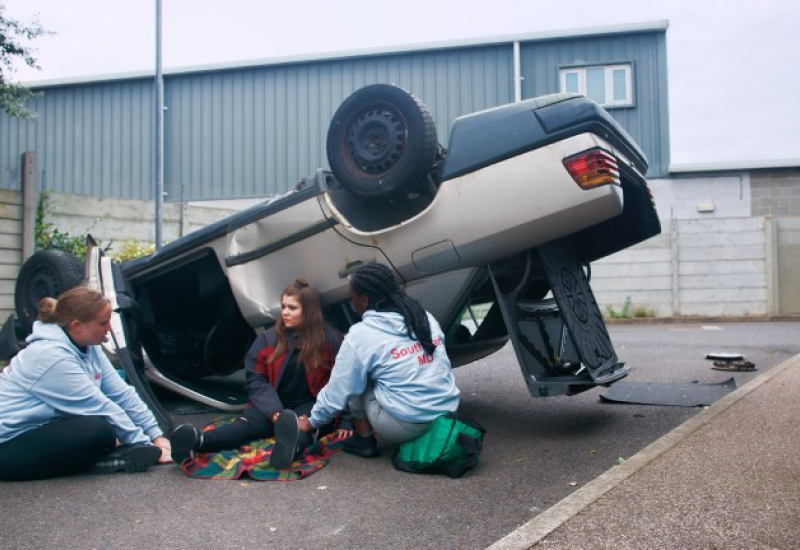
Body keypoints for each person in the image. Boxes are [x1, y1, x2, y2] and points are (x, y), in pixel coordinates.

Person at [170, 278, 352, 469]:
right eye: (283, 306)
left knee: (300, 429)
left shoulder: (330, 339)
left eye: (292, 308)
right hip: (271, 403)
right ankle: (197, 441)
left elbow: (344, 382)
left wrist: (346, 421)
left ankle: (289, 450)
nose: (285, 313)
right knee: (244, 428)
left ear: (308, 311)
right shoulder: (268, 339)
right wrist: (274, 412)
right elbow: (255, 380)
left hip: (310, 404)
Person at [0, 287, 172, 481]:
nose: (109, 327)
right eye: (103, 322)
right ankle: (99, 460)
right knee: (97, 431)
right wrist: (146, 446)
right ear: (76, 326)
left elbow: (122, 394)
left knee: (103, 430)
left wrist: (157, 435)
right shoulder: (50, 357)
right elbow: (101, 407)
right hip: (7, 444)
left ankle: (104, 456)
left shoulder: (89, 346)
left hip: (38, 429)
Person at [295, 263, 461, 458]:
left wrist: (313, 421)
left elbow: (338, 389)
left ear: (364, 300)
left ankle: (364, 439)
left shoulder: (361, 335)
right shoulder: (423, 317)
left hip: (408, 424)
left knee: (357, 378)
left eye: (352, 299)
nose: (352, 304)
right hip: (448, 411)